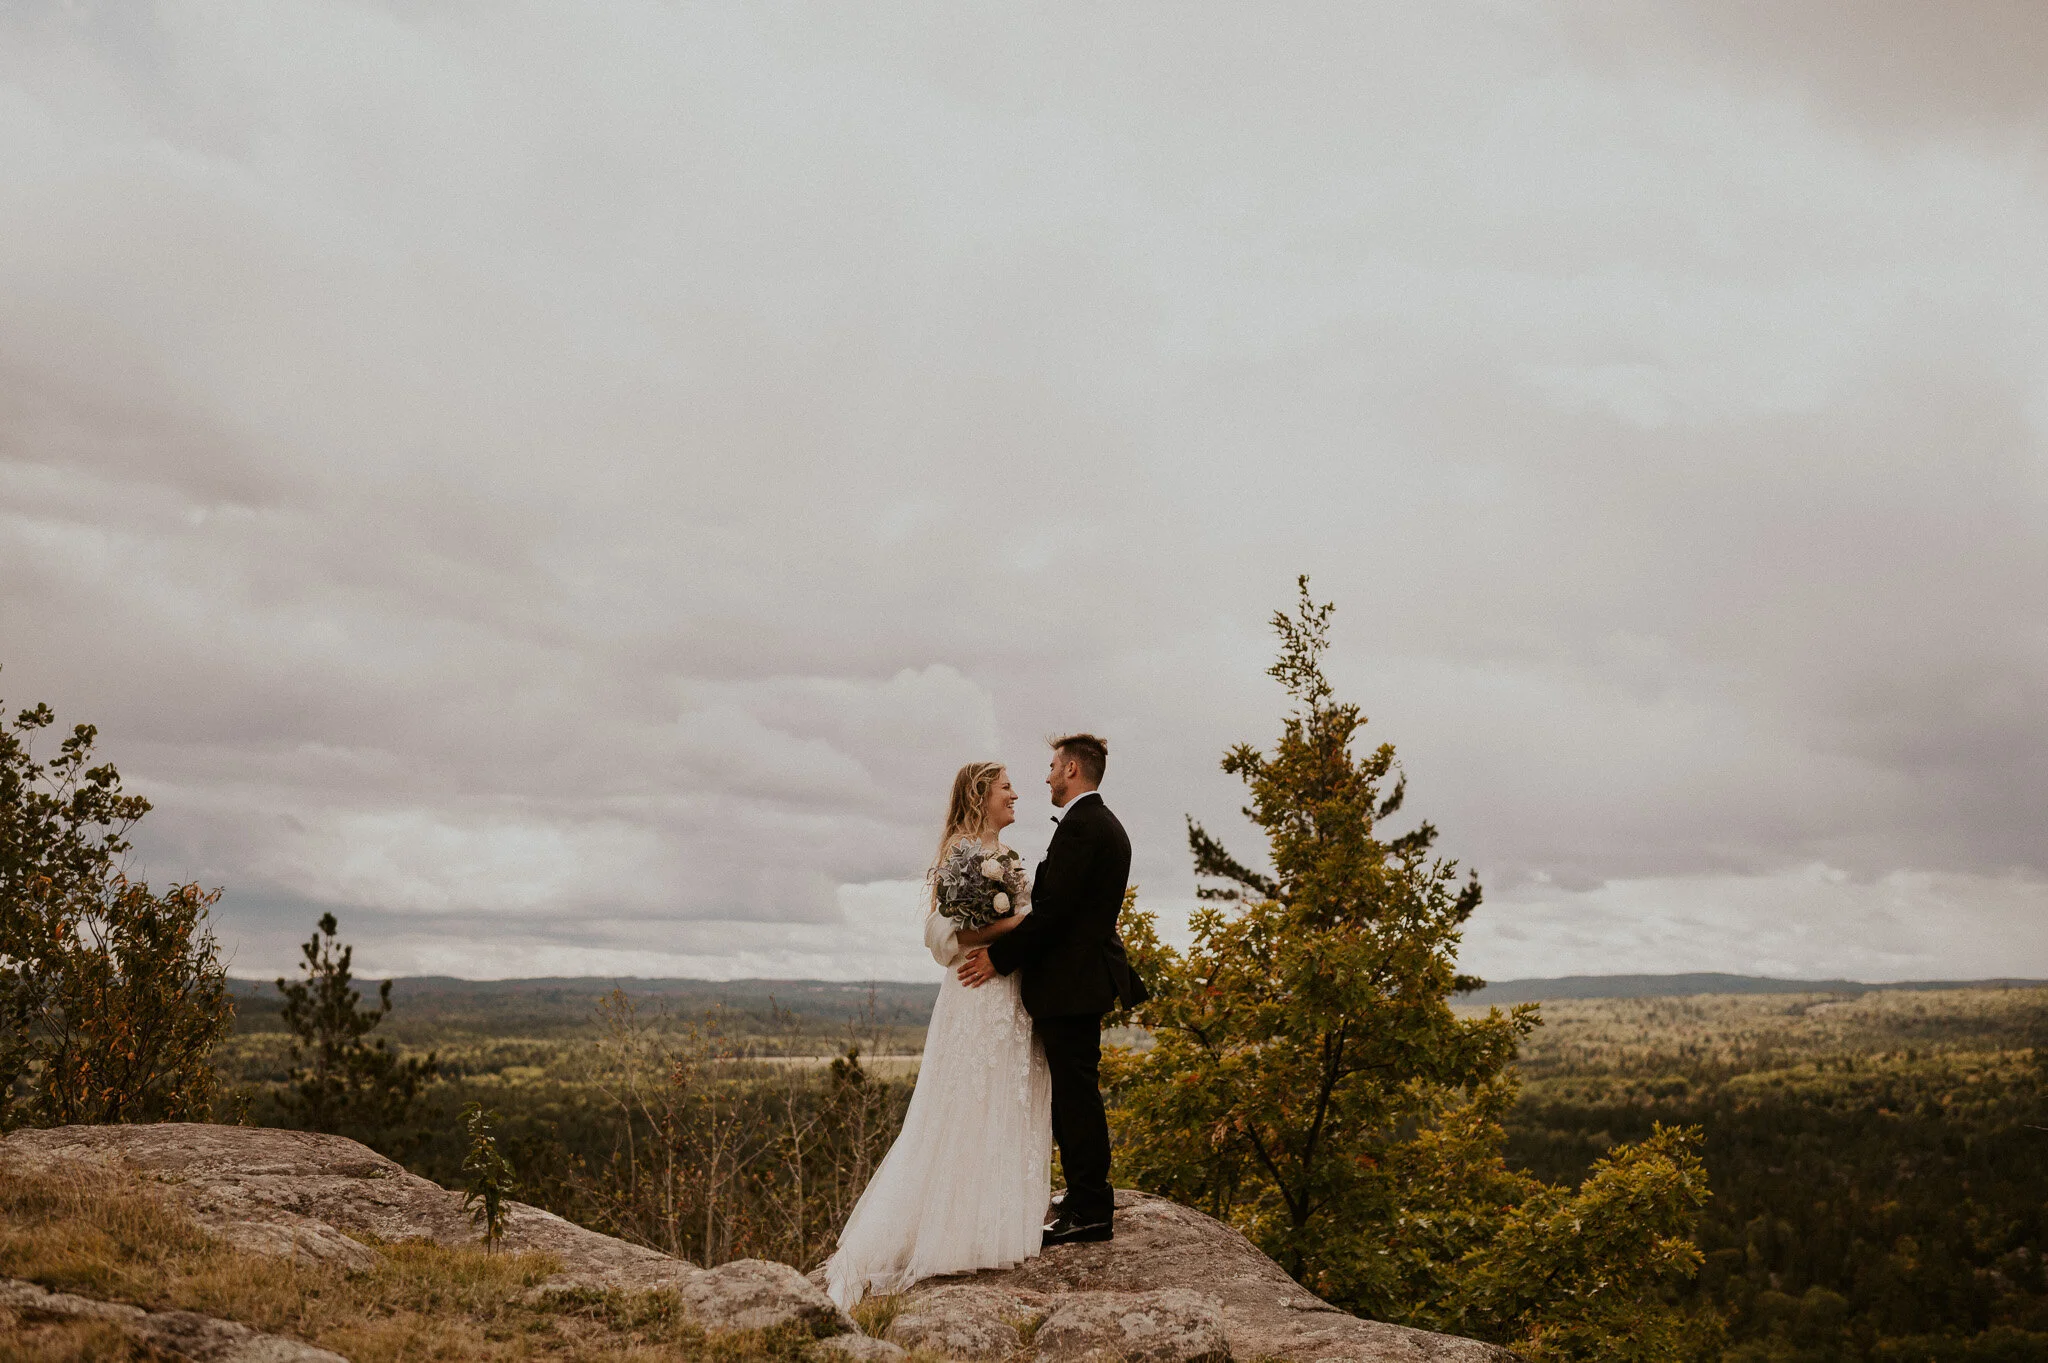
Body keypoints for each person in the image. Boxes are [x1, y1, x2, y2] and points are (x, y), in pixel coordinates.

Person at [823, 762, 1052, 1308]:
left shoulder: (1007, 856)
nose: (1015, 794)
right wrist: (1019, 923)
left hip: (1010, 991)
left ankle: (998, 1220)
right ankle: (952, 1232)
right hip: (977, 988)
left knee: (1006, 1095)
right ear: (981, 795)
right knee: (966, 1100)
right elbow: (951, 933)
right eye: (1006, 788)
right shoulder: (961, 854)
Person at [958, 733, 1145, 1245]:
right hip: (1076, 983)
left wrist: (997, 959)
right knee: (1070, 1095)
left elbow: (1054, 915)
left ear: (1072, 770)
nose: (1045, 777)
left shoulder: (1085, 827)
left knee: (1076, 1097)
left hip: (1072, 986)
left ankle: (1091, 1209)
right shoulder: (1095, 823)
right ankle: (1084, 1196)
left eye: (1051, 766)